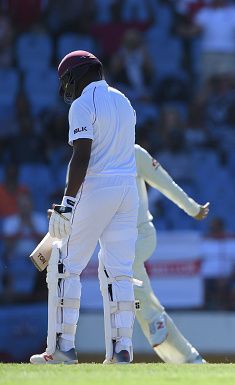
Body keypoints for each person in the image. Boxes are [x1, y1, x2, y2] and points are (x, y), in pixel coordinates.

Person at [30, 50, 139, 364]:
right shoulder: (124, 100)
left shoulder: (82, 105)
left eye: (67, 80)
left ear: (76, 76)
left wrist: (68, 203)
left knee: (65, 264)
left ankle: (63, 348)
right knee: (119, 272)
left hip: (97, 187)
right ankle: (122, 351)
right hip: (127, 189)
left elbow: (81, 157)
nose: (67, 88)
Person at [133, 144, 210, 363]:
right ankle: (190, 359)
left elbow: (165, 183)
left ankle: (154, 320)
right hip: (114, 243)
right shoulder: (92, 157)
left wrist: (192, 208)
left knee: (119, 274)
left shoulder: (134, 153)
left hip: (140, 235)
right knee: (139, 303)